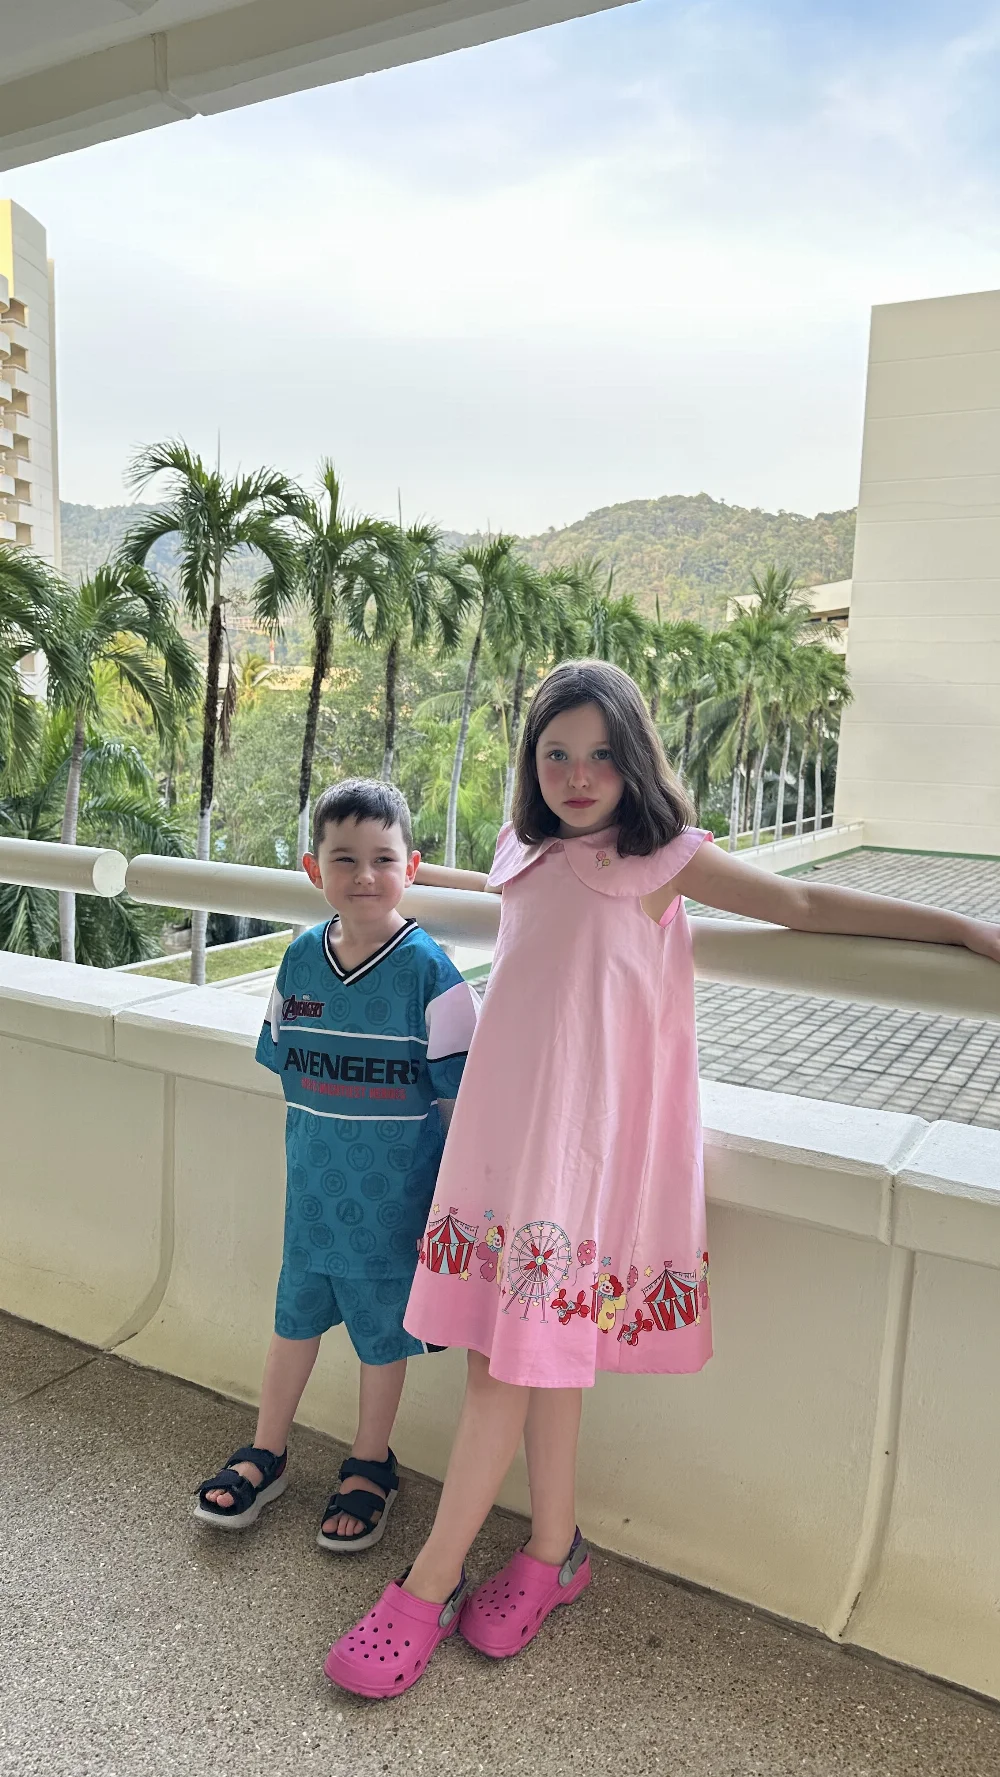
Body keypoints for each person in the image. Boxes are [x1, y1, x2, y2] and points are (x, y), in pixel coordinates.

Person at [324, 659, 1000, 1695]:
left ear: (634, 757)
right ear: (530, 761)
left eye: (599, 754)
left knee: (502, 1365)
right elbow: (506, 901)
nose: (576, 774)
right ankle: (554, 1550)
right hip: (503, 1143)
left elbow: (800, 901)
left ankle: (429, 1581)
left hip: (574, 1157)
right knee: (538, 1356)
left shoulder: (662, 859)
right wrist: (380, 882)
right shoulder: (521, 846)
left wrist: (958, 926)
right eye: (556, 752)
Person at [195, 778, 479, 1551]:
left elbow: (460, 1106)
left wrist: (445, 1208)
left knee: (382, 1342)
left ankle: (370, 1461)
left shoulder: (433, 977)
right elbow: (285, 1066)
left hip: (393, 1210)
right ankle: (267, 1449)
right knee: (291, 1325)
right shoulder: (297, 962)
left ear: (411, 867)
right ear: (313, 868)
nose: (363, 874)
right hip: (313, 1203)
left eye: (383, 858)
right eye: (344, 858)